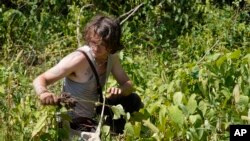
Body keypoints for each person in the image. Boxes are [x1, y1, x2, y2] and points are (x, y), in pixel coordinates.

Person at [33, 15, 143, 137]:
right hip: (75, 120)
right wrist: (43, 93)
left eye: (102, 44)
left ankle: (117, 134)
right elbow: (40, 79)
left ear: (112, 45)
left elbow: (128, 83)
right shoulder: (78, 59)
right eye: (93, 42)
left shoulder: (112, 58)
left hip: (95, 112)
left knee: (133, 100)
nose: (95, 47)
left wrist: (121, 90)